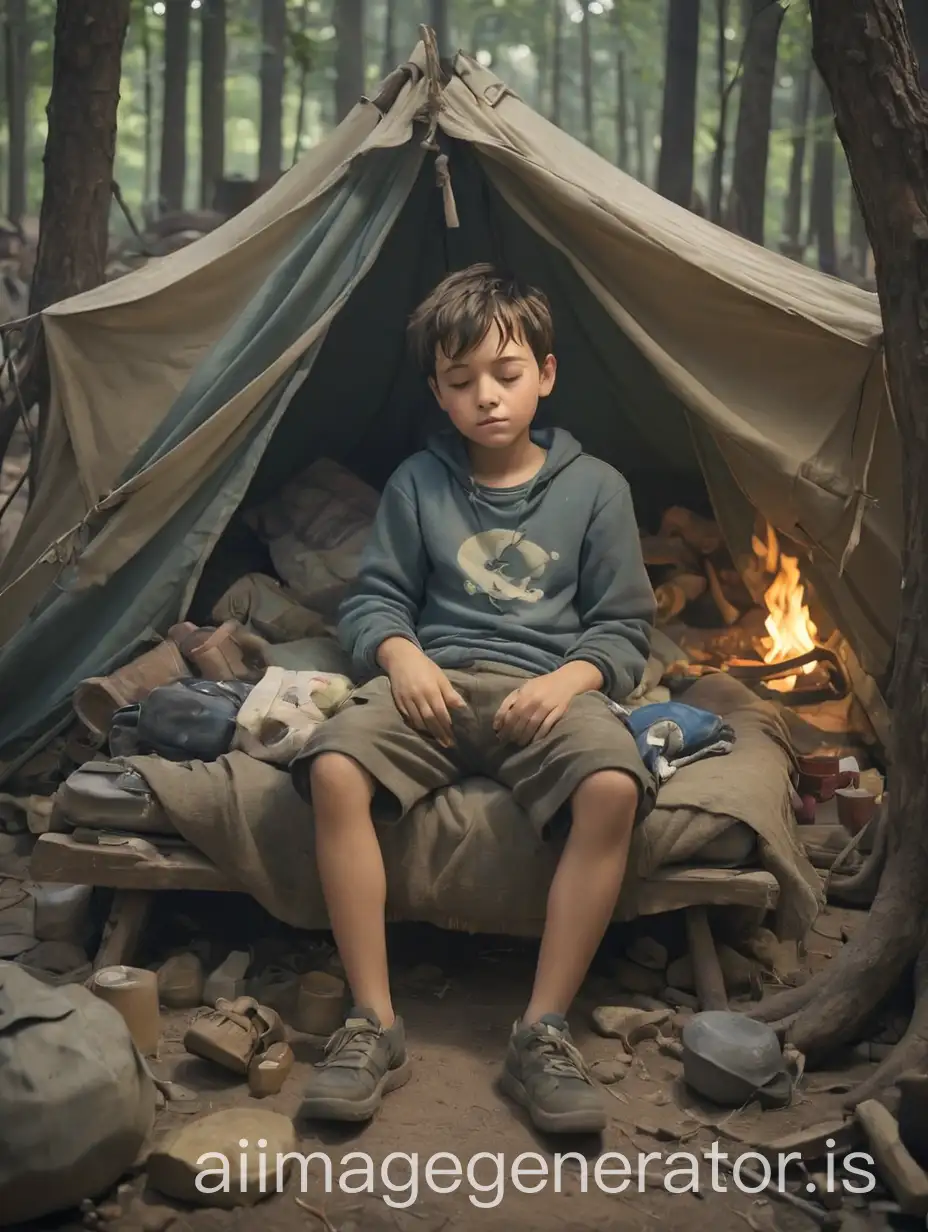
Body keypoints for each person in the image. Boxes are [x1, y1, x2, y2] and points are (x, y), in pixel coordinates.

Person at [291, 263, 657, 1135]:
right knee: (336, 767)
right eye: (462, 383)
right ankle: (373, 1022)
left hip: (547, 689)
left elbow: (623, 630)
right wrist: (401, 656)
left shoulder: (596, 487)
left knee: (611, 786)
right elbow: (375, 599)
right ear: (439, 394)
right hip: (436, 684)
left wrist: (570, 680)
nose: (487, 397)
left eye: (507, 373)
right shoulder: (419, 484)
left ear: (547, 374)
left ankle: (542, 1032)